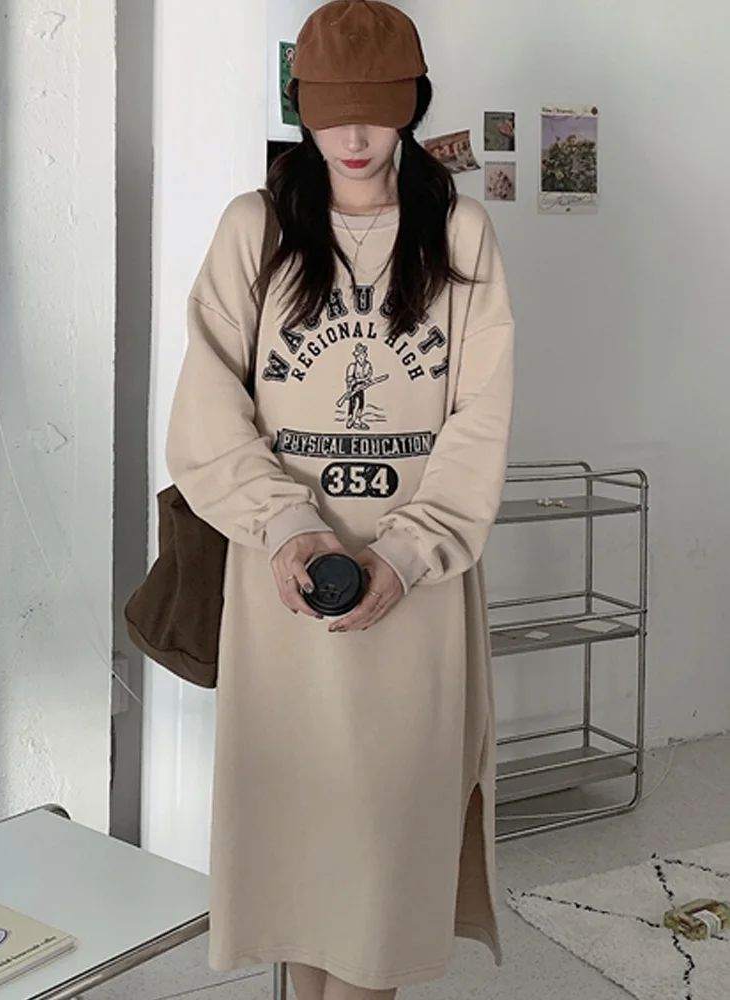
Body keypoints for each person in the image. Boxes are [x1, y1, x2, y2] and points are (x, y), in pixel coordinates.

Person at [165, 2, 515, 999]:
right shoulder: (257, 229)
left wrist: (404, 553)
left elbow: (481, 415)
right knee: (298, 845)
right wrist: (286, 528)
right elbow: (207, 405)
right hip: (283, 591)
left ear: (413, 105)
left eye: (378, 109)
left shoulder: (459, 232)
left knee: (384, 865)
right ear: (301, 109)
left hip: (417, 598)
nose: (354, 136)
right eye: (330, 111)